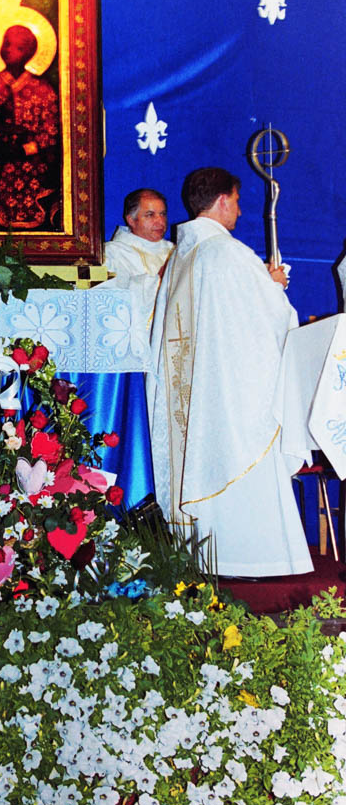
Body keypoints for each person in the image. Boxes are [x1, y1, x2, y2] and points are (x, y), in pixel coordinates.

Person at [149, 166, 312, 578]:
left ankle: (208, 558)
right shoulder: (227, 253)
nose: (239, 211)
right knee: (237, 450)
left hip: (197, 391)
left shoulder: (181, 257)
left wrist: (263, 285)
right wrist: (274, 287)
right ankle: (251, 557)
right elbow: (268, 319)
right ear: (222, 200)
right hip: (228, 393)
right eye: (237, 201)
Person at [0, 24, 60, 229]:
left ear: (29, 53)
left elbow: (50, 133)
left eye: (18, 47)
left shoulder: (42, 89)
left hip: (26, 160)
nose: (8, 50)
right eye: (6, 43)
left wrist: (23, 150)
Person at [103, 189, 174, 324]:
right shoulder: (113, 253)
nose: (160, 221)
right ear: (131, 220)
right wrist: (160, 279)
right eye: (150, 215)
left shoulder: (175, 250)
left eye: (163, 214)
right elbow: (113, 302)